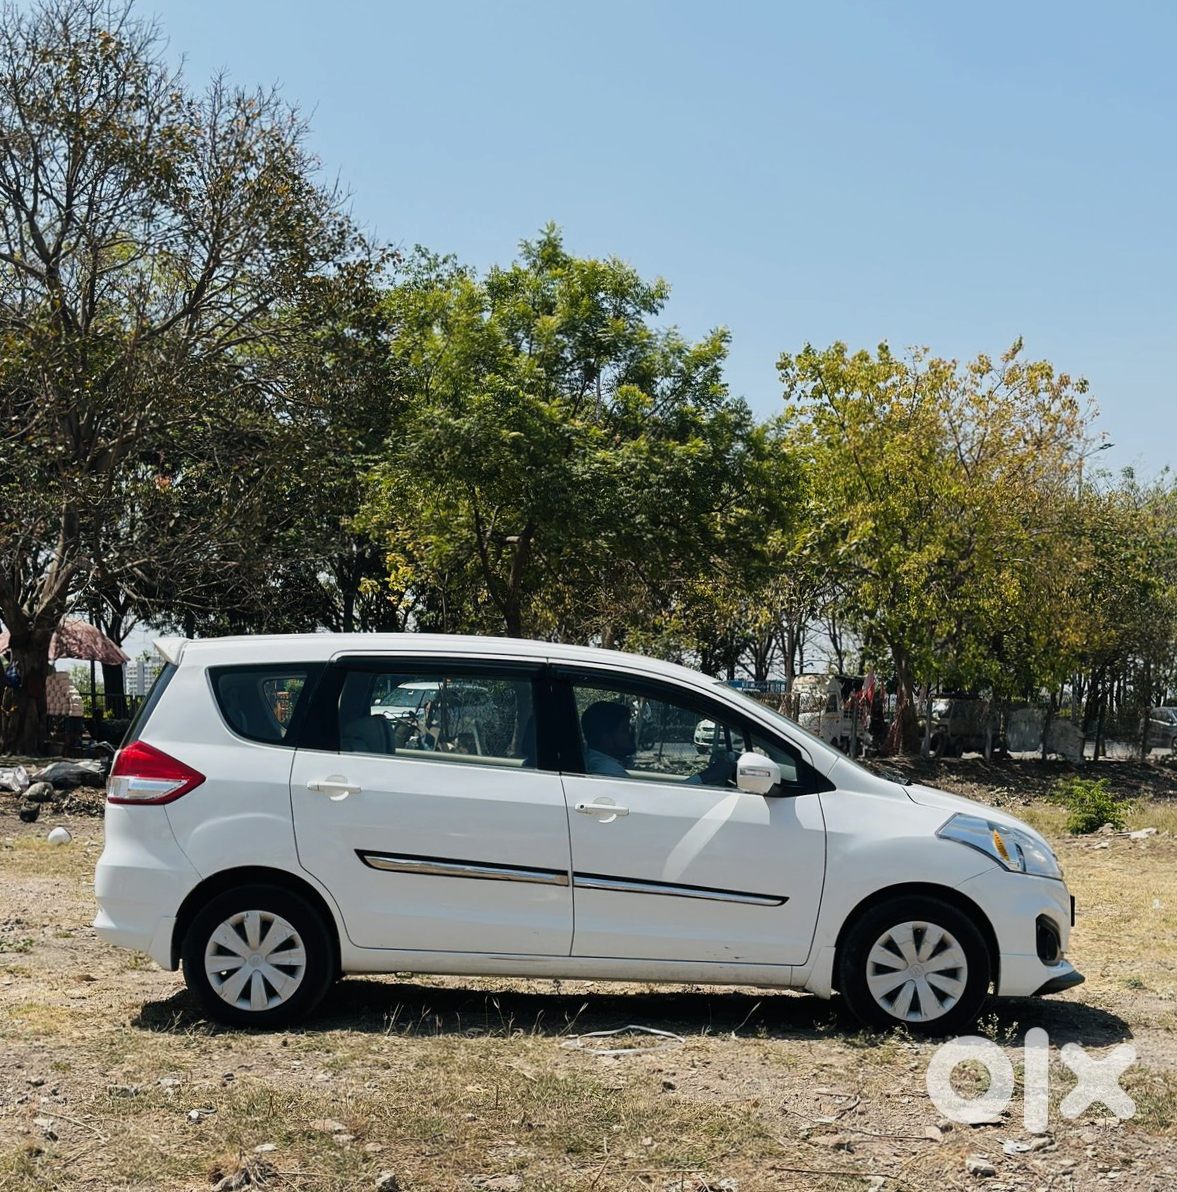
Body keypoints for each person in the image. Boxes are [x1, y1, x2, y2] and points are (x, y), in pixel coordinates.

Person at [580, 700, 736, 786]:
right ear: (606, 738)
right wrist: (705, 776)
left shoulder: (600, 762)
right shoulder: (607, 771)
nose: (631, 733)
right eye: (625, 730)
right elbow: (650, 803)